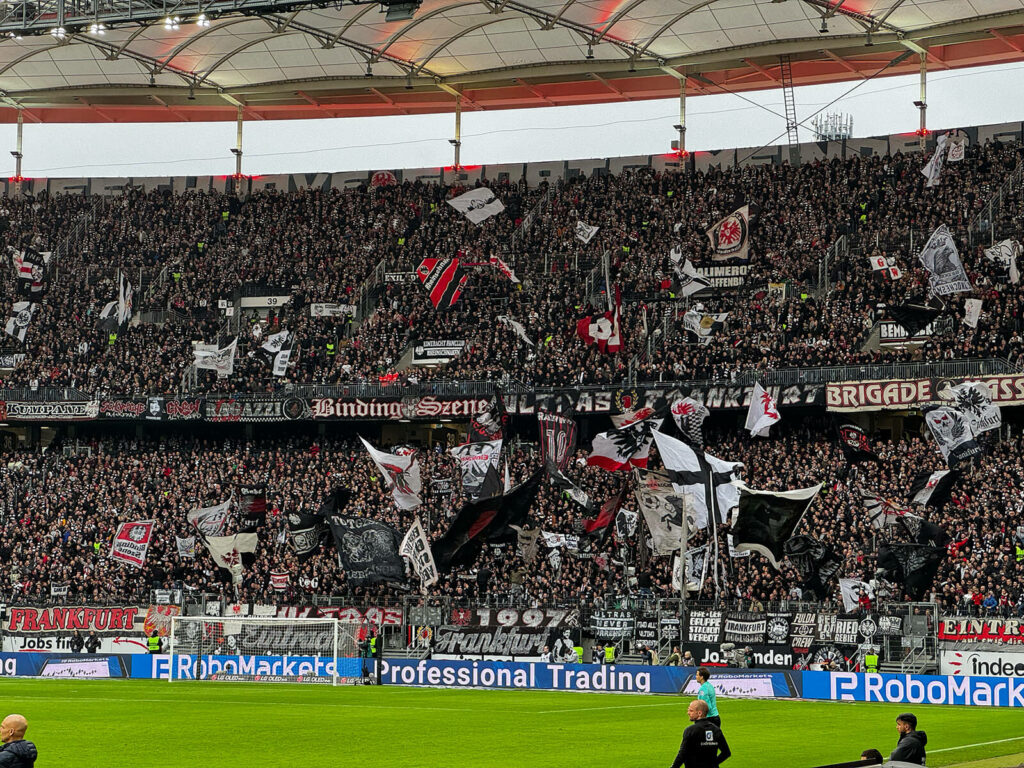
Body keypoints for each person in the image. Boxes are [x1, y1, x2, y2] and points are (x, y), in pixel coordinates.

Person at [668, 699, 730, 768]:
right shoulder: (716, 730)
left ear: (699, 713)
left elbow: (682, 754)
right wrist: (713, 764)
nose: (688, 713)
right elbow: (726, 752)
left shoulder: (690, 730)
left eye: (691, 711)